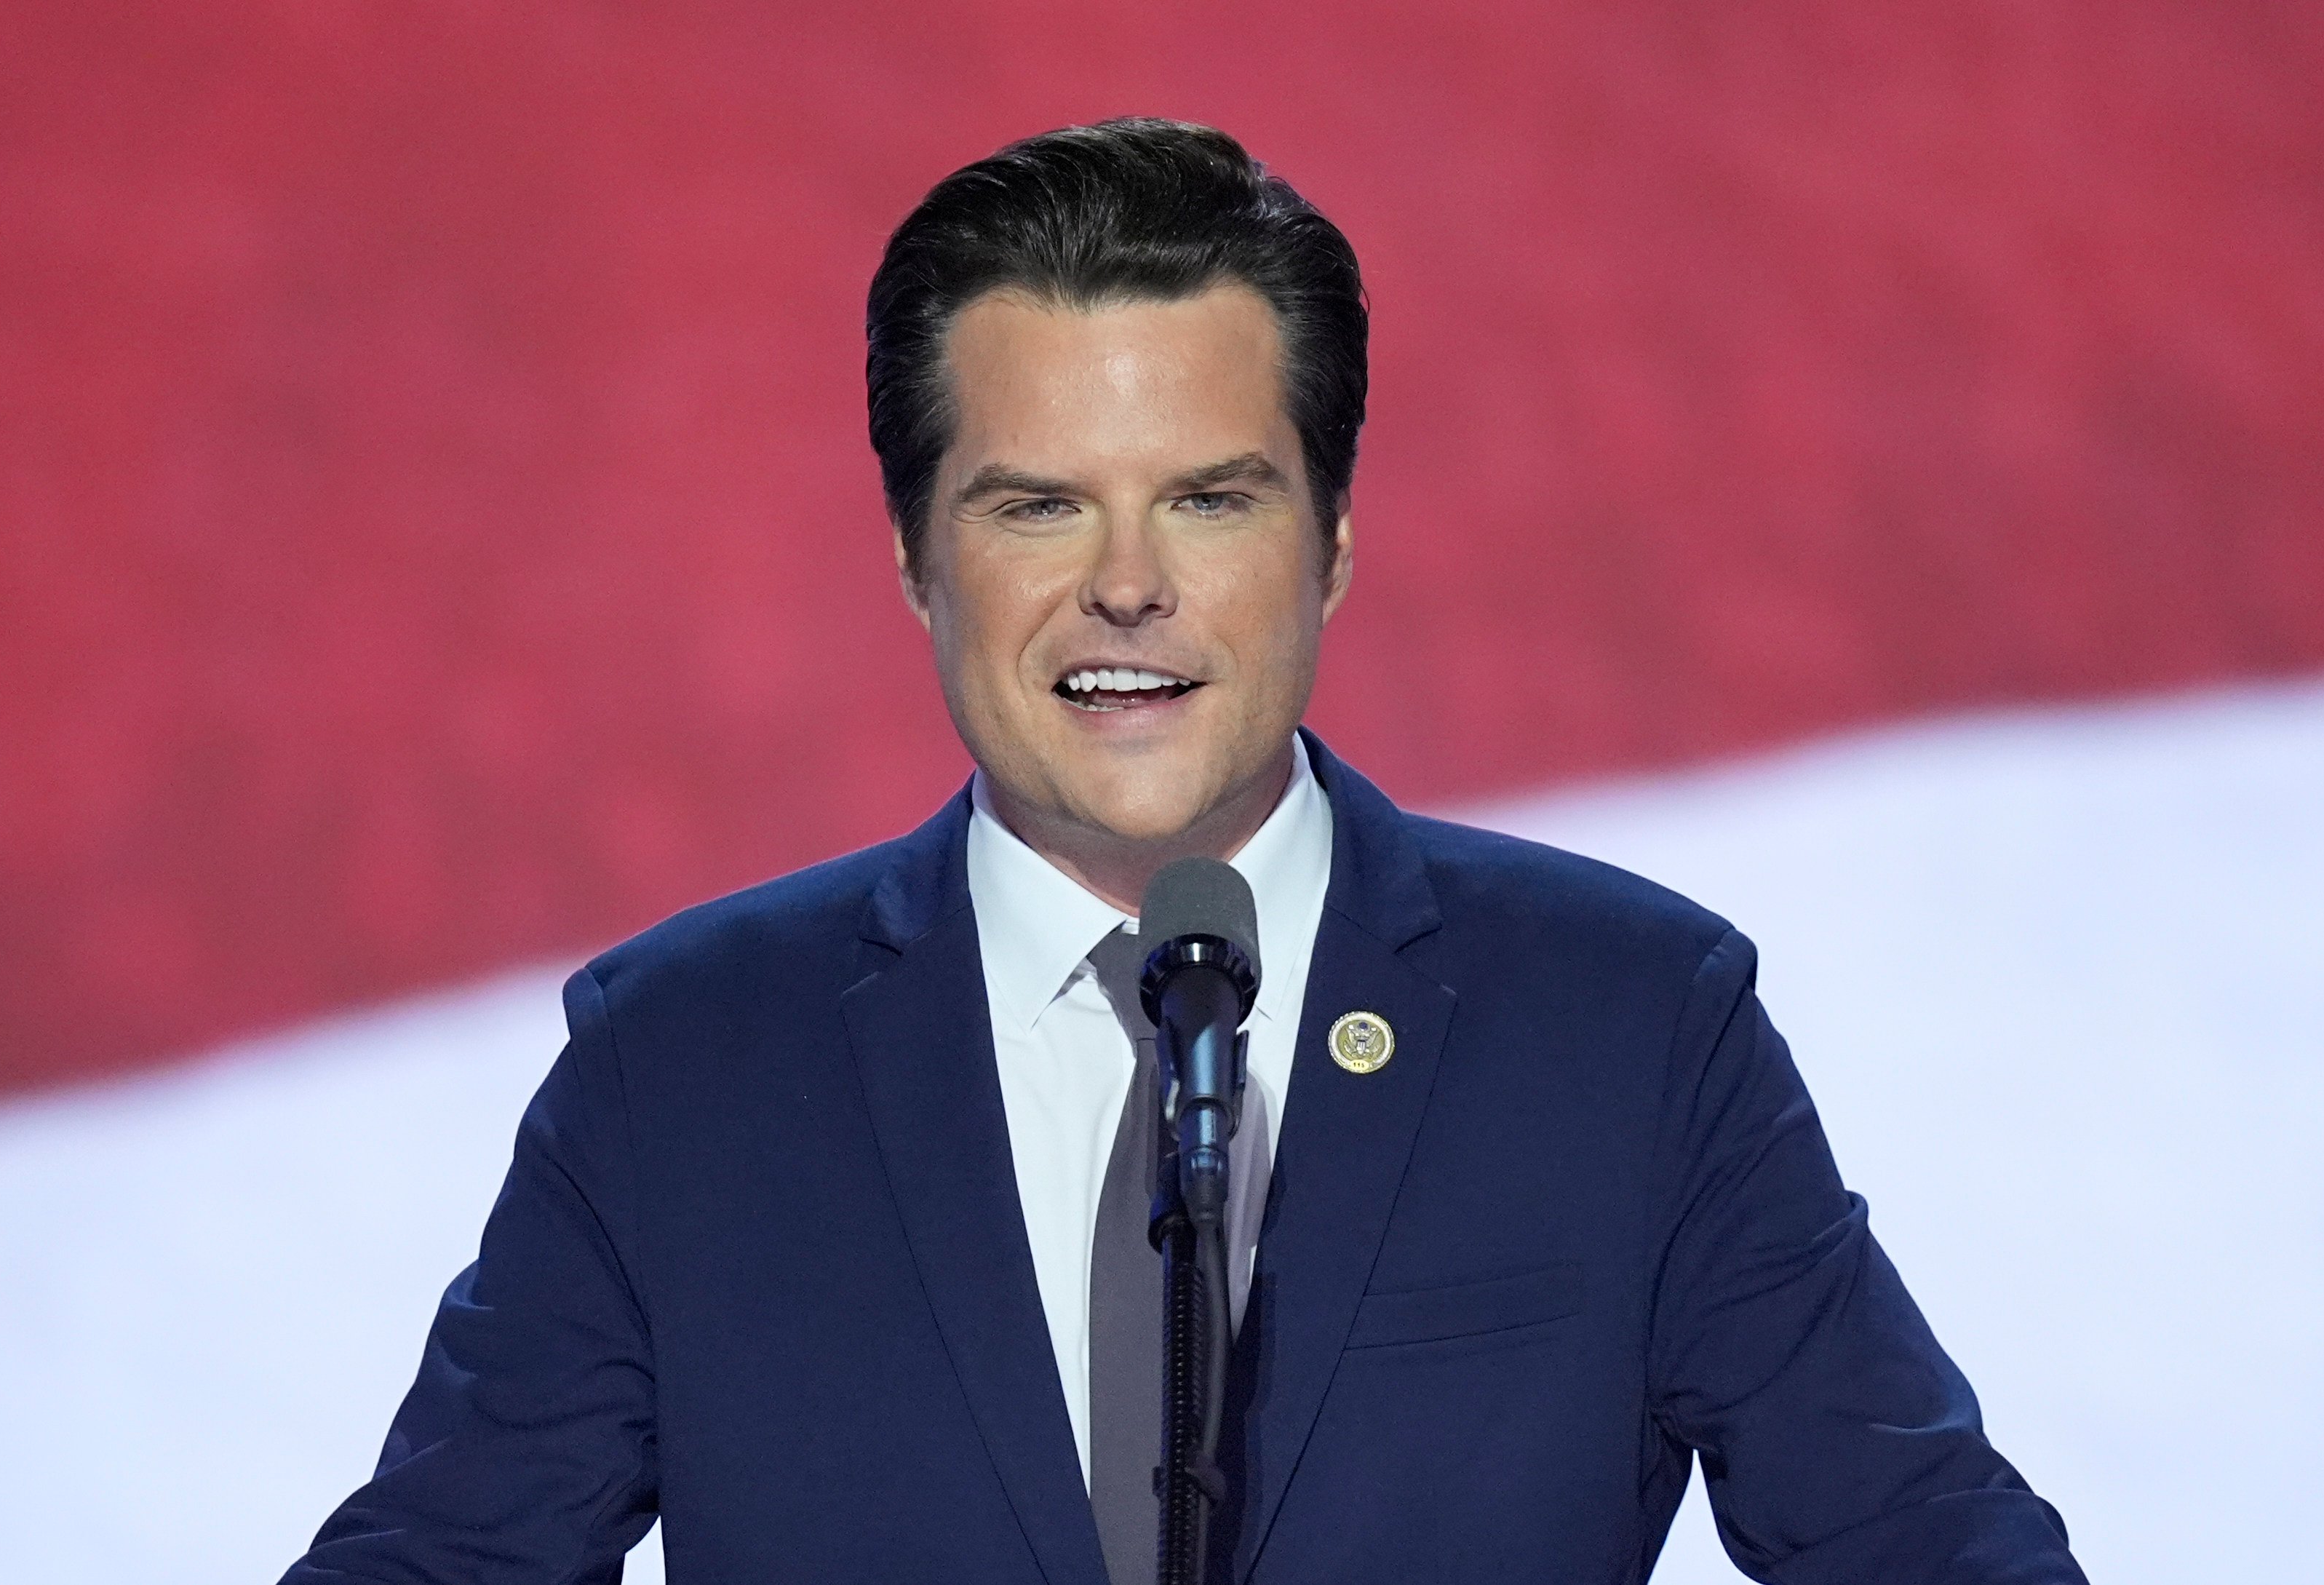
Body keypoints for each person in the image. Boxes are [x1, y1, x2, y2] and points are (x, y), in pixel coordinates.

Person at [282, 119, 2085, 1584]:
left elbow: (1930, 1551)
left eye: (1211, 498)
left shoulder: (1630, 1027)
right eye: (1037, 503)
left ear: (1335, 545)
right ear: (917, 561)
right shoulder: (682, 1066)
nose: (1126, 584)